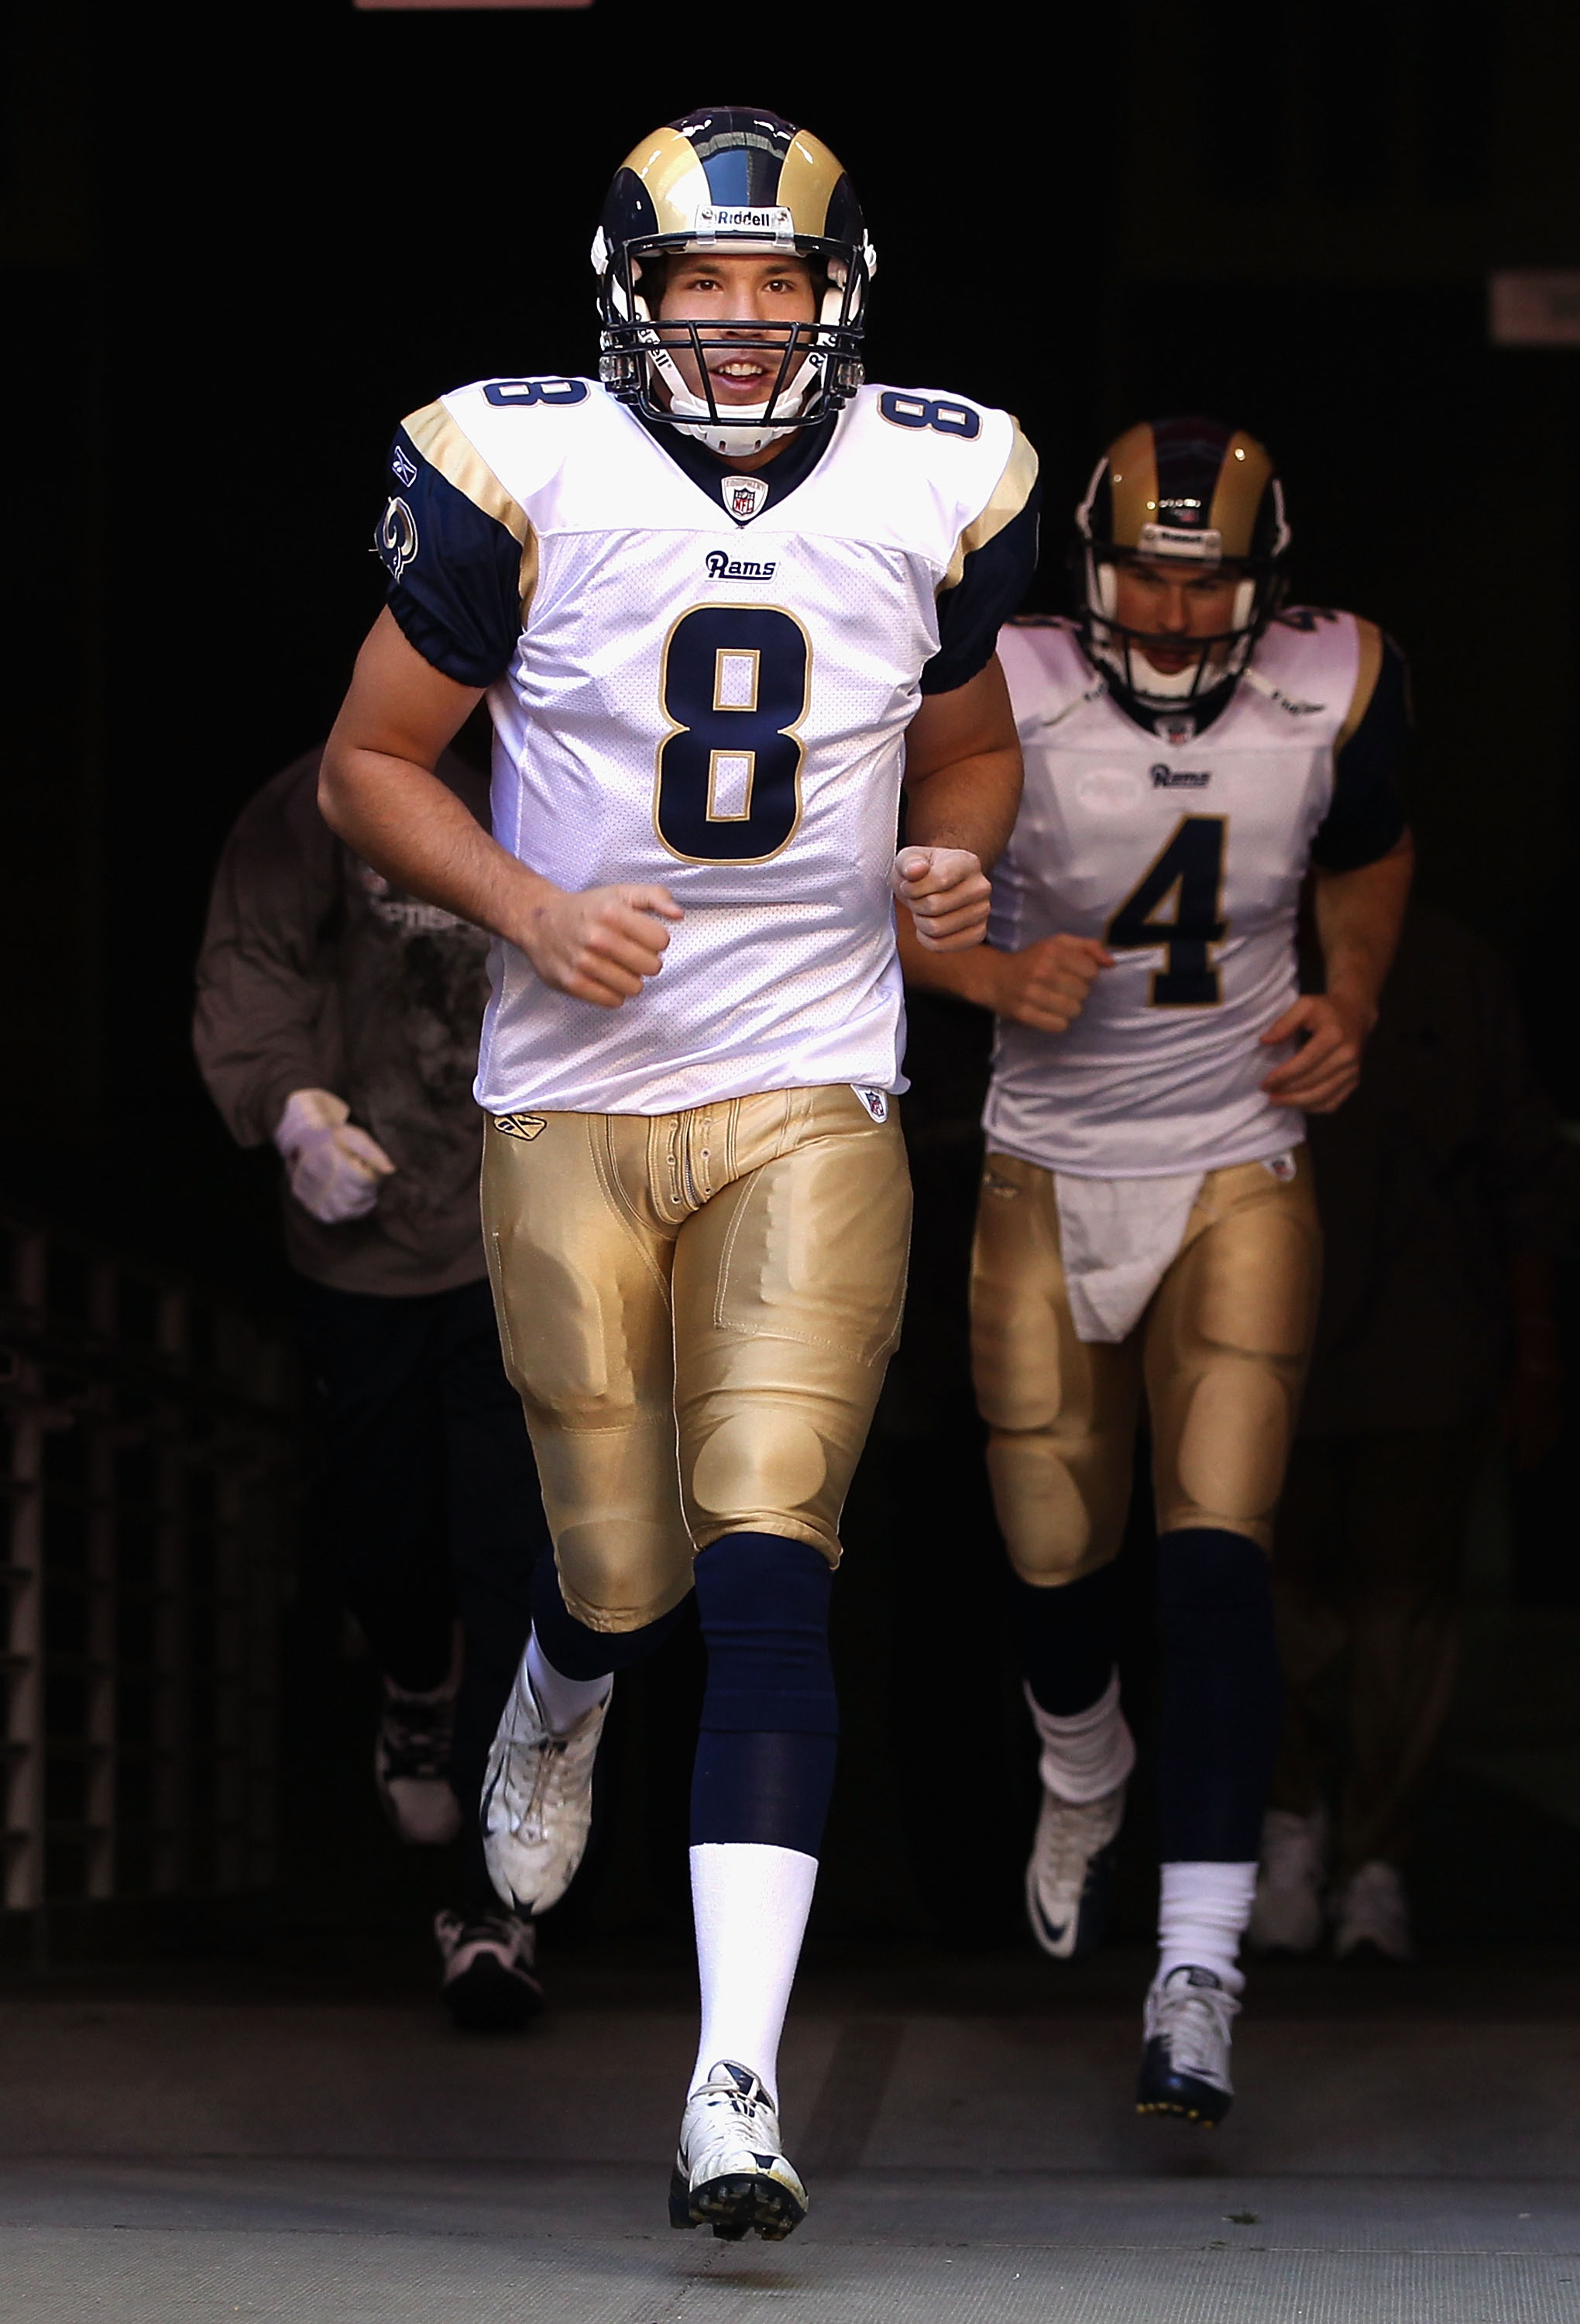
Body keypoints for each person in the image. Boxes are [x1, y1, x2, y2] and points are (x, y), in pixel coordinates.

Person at [317, 107, 1037, 2238]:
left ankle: (735, 2079)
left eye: (780, 289)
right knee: (618, 1579)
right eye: (707, 290)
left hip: (816, 1082)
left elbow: (976, 740)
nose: (744, 329)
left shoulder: (941, 468)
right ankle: (555, 1691)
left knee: (768, 1560)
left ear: (843, 296)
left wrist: (957, 851)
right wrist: (536, 914)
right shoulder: (521, 463)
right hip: (569, 1096)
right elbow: (370, 760)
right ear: (637, 299)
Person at [900, 416, 1413, 2125]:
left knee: (1215, 1566)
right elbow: (882, 887)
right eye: (1147, 576)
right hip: (1048, 1163)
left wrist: (1348, 1000)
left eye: (1212, 585)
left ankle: (1198, 1961)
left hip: (1234, 1164)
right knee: (1054, 1563)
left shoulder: (1340, 682)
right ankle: (1079, 1755)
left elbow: (1372, 849)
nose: (1181, 619)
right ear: (1088, 570)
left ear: (1270, 585)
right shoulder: (1003, 680)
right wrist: (984, 982)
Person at [194, 737, 551, 2031]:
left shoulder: (565, 773)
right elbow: (253, 964)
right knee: (380, 1533)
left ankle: (492, 1905)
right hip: (367, 1229)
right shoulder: (314, 800)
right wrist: (290, 1109)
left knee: (517, 1557)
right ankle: (413, 1684)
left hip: (521, 1227)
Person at [1250, 899, 1566, 1964]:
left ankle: (1376, 1859)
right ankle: (1290, 1825)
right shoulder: (1242, 938)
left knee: (1403, 1611)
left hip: (1423, 1347)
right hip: (1269, 1335)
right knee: (1272, 1597)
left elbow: (1524, 1171)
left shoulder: (1452, 968)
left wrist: (1532, 1352)